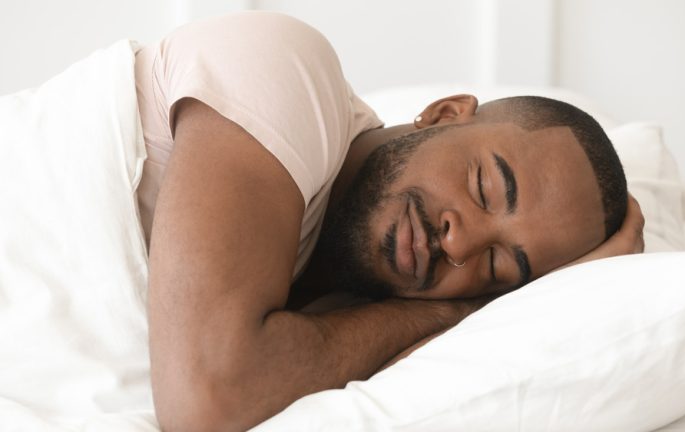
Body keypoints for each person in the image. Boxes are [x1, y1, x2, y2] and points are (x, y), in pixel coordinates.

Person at [134, 11, 644, 432]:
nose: (461, 244)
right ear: (445, 113)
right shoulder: (285, 70)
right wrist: (455, 311)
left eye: (498, 266)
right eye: (484, 187)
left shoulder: (358, 308)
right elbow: (210, 402)